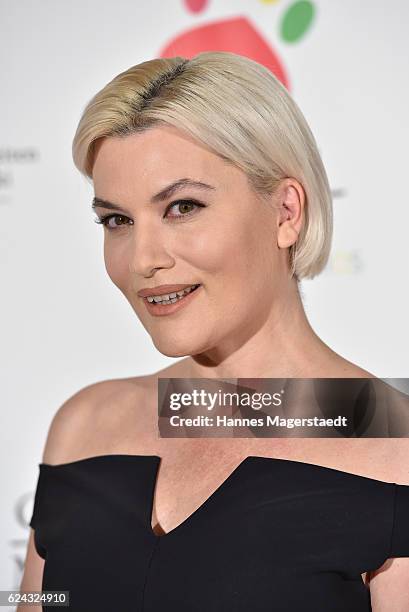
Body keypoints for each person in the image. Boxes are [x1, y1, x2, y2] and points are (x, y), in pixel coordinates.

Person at [19, 51, 409, 611]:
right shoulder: (85, 427)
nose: (143, 259)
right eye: (117, 221)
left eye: (182, 207)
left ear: (285, 212)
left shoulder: (395, 449)